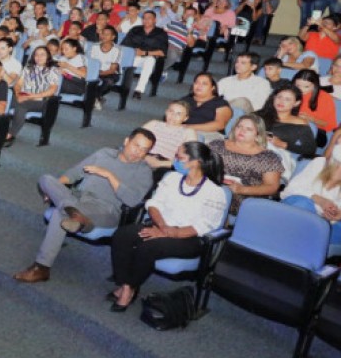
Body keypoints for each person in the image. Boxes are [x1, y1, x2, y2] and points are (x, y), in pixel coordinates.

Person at [14, 128, 156, 284]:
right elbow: (74, 173)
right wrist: (54, 189)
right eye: (136, 145)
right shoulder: (105, 153)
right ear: (126, 141)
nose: (138, 152)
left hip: (105, 210)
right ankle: (77, 217)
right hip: (78, 199)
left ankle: (41, 267)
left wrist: (109, 175)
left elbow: (132, 201)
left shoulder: (144, 172)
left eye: (144, 150)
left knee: (60, 213)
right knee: (46, 179)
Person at [108, 142, 227, 312]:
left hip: (189, 238)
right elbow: (154, 203)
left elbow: (204, 225)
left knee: (147, 246)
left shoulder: (214, 192)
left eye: (180, 157)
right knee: (122, 235)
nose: (175, 160)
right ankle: (127, 285)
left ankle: (127, 290)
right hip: (161, 226)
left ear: (196, 162)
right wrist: (162, 226)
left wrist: (170, 233)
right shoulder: (172, 178)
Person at [209, 114, 283, 213]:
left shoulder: (268, 157)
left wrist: (241, 189)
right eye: (239, 126)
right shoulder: (217, 145)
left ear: (258, 134)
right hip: (214, 189)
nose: (242, 131)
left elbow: (272, 187)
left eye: (248, 129)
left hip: (247, 198)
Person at [281, 147, 341, 248]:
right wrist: (320, 200)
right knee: (303, 205)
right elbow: (289, 191)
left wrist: (338, 216)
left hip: (323, 225)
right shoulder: (320, 164)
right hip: (299, 209)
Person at [6, 46, 61, 146]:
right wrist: (18, 94)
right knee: (4, 99)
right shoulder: (28, 68)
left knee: (21, 105)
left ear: (48, 56)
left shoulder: (52, 70)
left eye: (42, 54)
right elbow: (18, 84)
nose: (39, 57)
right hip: (23, 96)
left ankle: (10, 134)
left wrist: (31, 96)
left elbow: (52, 90)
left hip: (41, 100)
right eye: (36, 54)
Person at [254, 83, 316, 169]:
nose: (281, 101)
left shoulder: (299, 123)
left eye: (287, 99)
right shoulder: (258, 115)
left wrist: (283, 144)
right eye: (279, 97)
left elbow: (310, 149)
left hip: (277, 157)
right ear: (274, 98)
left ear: (296, 103)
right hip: (250, 150)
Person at [123, 10, 169, 99]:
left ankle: (139, 90)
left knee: (150, 61)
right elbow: (124, 45)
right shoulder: (135, 30)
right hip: (133, 56)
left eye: (149, 18)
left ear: (155, 20)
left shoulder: (161, 33)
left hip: (148, 57)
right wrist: (133, 52)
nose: (146, 20)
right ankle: (119, 84)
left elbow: (163, 52)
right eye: (144, 18)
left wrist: (145, 53)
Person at [143, 101, 198, 173]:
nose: (173, 115)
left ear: (185, 118)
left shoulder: (188, 132)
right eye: (171, 111)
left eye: (178, 114)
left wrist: (160, 163)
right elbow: (134, 142)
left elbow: (191, 158)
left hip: (166, 164)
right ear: (166, 112)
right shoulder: (153, 124)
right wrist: (145, 157)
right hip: (144, 156)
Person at [181, 72, 231, 141]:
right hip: (185, 132)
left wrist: (189, 127)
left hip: (210, 135)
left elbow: (219, 124)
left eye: (204, 84)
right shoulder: (185, 100)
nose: (199, 86)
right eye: (197, 83)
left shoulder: (220, 103)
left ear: (212, 87)